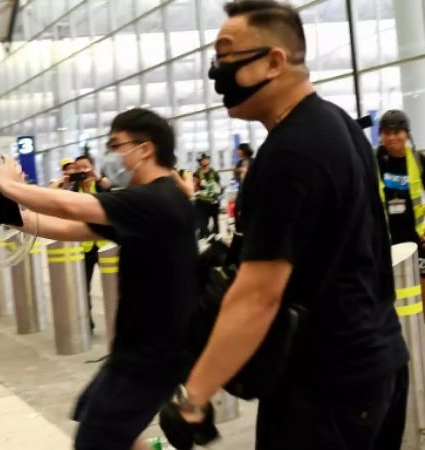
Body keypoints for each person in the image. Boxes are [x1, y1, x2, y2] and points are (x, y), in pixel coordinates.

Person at [160, 2, 408, 450]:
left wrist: (193, 397)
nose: (216, 71)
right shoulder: (337, 123)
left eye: (225, 55)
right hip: (375, 364)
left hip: (325, 385)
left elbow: (258, 295)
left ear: (274, 62)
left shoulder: (290, 154)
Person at [0, 108, 198, 450]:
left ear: (145, 148)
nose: (112, 154)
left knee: (95, 441)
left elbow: (73, 206)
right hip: (136, 351)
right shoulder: (150, 201)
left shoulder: (156, 199)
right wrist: (1, 212)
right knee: (102, 428)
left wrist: (9, 186)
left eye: (116, 145)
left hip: (154, 355)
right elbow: (67, 228)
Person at [374, 109, 425, 296]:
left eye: (397, 132)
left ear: (407, 134)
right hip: (386, 238)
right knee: (393, 289)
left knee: (420, 287)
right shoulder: (374, 160)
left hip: (416, 237)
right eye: (387, 133)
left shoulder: (418, 160)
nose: (392, 138)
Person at [70, 155, 112, 333]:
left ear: (92, 167)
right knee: (82, 287)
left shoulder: (101, 186)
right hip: (84, 246)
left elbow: (109, 190)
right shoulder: (72, 189)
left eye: (85, 167)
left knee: (114, 286)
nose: (81, 171)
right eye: (78, 167)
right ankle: (87, 323)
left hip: (106, 247)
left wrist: (96, 178)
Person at [193, 153, 221, 238]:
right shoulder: (196, 173)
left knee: (216, 223)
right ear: (200, 162)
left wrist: (218, 191)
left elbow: (219, 185)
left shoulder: (214, 172)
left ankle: (216, 240)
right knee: (202, 223)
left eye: (206, 159)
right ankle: (206, 237)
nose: (205, 161)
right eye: (203, 160)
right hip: (201, 202)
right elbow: (194, 187)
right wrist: (197, 186)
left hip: (213, 202)